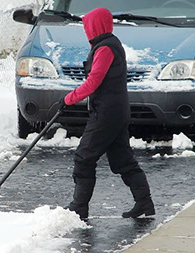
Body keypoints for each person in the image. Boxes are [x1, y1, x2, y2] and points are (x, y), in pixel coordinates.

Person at [59, 7, 155, 220]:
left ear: (95, 27)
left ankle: (79, 206)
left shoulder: (105, 49)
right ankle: (144, 203)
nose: (86, 32)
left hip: (107, 114)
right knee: (123, 161)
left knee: (84, 158)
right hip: (116, 112)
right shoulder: (109, 45)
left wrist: (68, 99)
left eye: (88, 27)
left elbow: (94, 81)